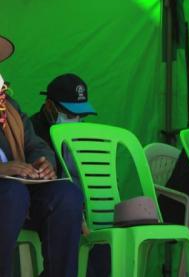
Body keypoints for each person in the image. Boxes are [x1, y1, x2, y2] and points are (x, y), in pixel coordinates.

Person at [0, 35, 84, 277]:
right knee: (11, 193)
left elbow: (34, 143)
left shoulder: (9, 106)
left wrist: (45, 162)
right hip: (9, 193)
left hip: (20, 190)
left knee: (67, 194)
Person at [28, 73, 110, 277]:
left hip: (83, 212)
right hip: (43, 210)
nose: (77, 121)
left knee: (107, 240)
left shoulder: (86, 136)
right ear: (49, 107)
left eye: (81, 116)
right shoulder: (31, 133)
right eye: (70, 114)